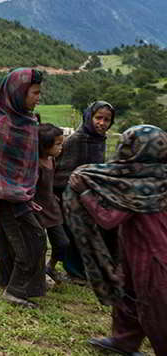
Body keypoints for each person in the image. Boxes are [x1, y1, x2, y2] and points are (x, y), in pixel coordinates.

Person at [62, 125, 167, 356]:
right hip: (139, 252)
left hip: (151, 259)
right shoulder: (159, 176)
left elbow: (108, 219)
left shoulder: (137, 184)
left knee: (154, 310)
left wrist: (85, 192)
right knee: (127, 296)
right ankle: (124, 342)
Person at [0, 68, 46, 308]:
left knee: (9, 240)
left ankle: (5, 280)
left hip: (20, 195)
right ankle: (17, 290)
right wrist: (7, 192)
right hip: (9, 198)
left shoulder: (24, 120)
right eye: (34, 93)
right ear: (18, 93)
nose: (38, 98)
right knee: (33, 240)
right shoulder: (4, 126)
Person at [54, 101, 116, 280]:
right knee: (73, 234)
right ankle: (74, 272)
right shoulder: (77, 140)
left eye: (107, 120)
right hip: (68, 194)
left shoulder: (99, 140)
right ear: (89, 117)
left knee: (86, 234)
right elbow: (62, 169)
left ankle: (83, 271)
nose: (102, 123)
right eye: (98, 118)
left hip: (89, 196)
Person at [34, 123, 69, 284]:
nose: (61, 147)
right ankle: (39, 272)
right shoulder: (37, 164)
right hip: (38, 208)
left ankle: (51, 266)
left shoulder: (51, 160)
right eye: (58, 144)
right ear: (45, 145)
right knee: (39, 245)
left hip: (51, 206)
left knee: (62, 242)